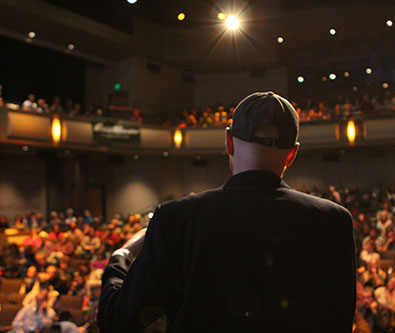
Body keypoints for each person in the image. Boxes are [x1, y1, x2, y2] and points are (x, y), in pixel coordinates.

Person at [98, 91, 356, 332]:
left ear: (229, 142)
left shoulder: (176, 219)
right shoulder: (333, 222)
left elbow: (119, 322)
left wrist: (121, 256)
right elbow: (338, 323)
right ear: (292, 154)